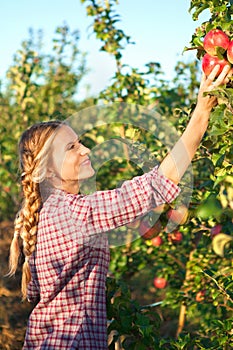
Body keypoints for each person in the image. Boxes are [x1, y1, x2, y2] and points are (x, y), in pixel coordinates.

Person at [8, 64, 231, 349]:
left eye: (81, 142)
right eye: (71, 148)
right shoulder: (69, 213)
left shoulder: (52, 211)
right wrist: (201, 114)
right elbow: (154, 186)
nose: (86, 150)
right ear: (49, 171)